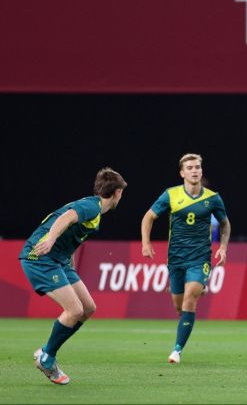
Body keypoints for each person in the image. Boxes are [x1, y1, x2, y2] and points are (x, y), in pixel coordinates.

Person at [19, 168, 127, 385]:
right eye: (121, 192)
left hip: (60, 260)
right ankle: (47, 358)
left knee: (88, 308)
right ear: (116, 193)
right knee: (74, 310)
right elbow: (67, 218)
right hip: (39, 257)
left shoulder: (94, 210)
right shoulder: (91, 207)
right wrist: (50, 239)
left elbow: (72, 233)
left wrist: (69, 259)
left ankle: (47, 351)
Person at [141, 153, 230, 364]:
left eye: (197, 167)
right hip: (176, 258)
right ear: (182, 172)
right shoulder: (170, 195)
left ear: (201, 170)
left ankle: (177, 350)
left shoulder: (213, 198)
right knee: (179, 306)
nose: (194, 170)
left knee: (191, 298)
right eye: (190, 167)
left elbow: (225, 223)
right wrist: (146, 243)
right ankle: (197, 288)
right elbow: (149, 217)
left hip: (200, 257)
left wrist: (223, 247)